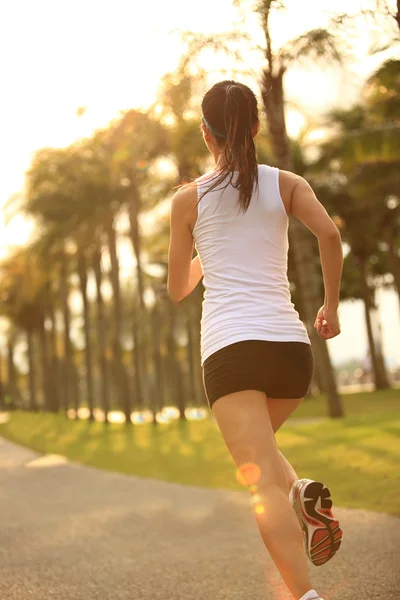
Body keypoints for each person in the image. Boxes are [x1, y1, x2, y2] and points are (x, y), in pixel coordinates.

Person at [167, 80, 343, 600]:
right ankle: (300, 490)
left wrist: (209, 255)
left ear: (206, 133)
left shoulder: (187, 200)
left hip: (231, 351)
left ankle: (306, 596)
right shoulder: (287, 183)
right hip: (291, 352)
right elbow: (330, 235)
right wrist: (329, 309)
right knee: (264, 455)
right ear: (258, 126)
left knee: (259, 481)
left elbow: (178, 289)